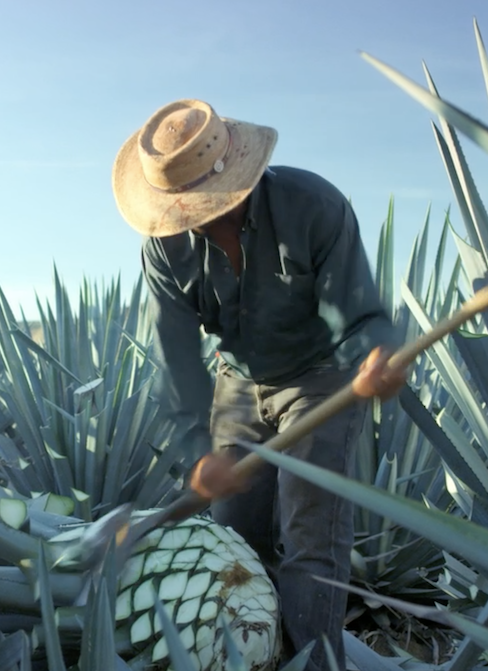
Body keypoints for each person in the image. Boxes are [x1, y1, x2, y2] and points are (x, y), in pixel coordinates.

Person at [111, 99, 407, 670]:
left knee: (311, 534)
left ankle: (311, 664)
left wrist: (377, 357)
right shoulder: (164, 249)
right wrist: (200, 450)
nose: (199, 217)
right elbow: (177, 357)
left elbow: (359, 311)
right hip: (239, 380)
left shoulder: (313, 206)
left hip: (320, 378)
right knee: (234, 538)